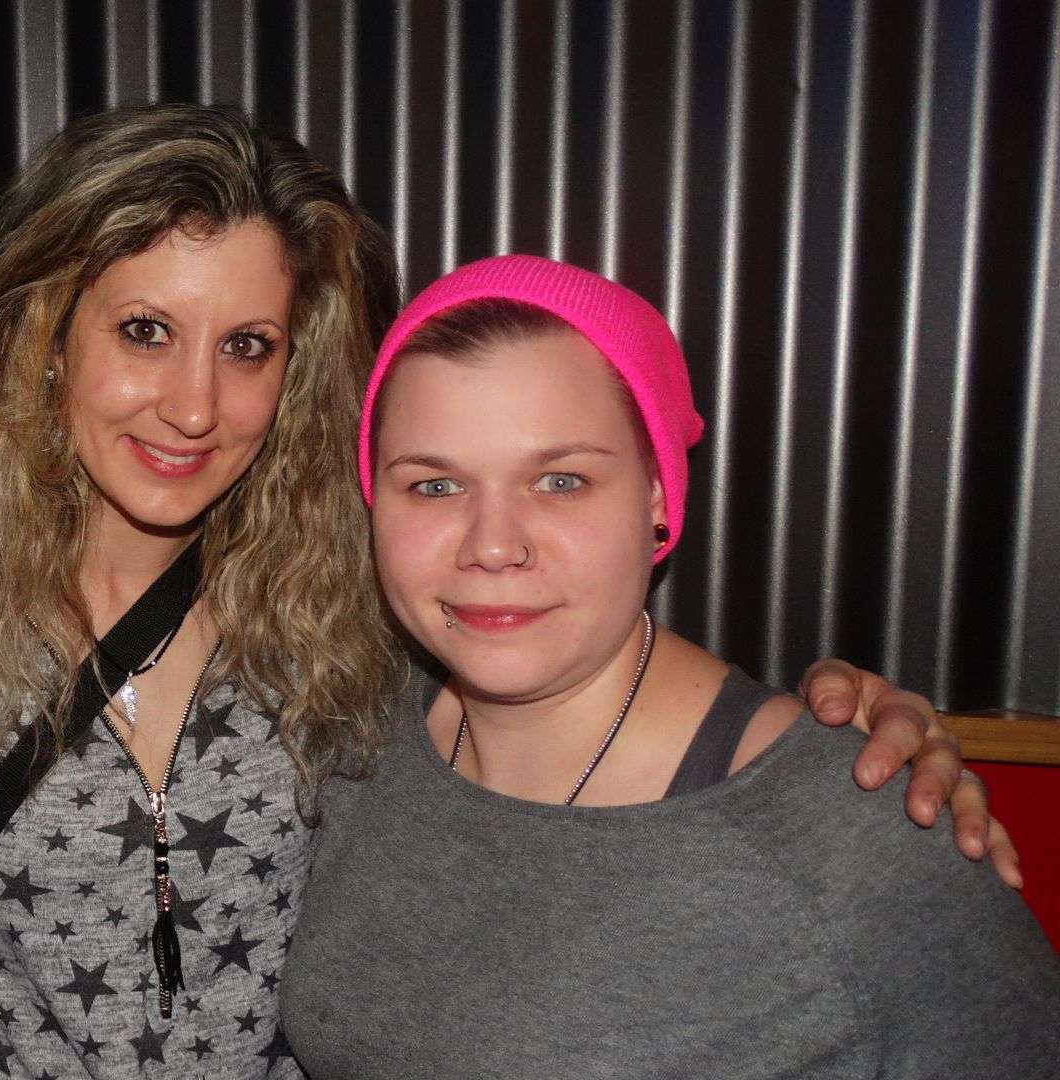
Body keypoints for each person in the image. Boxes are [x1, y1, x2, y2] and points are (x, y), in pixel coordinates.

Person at [0, 106, 1009, 1080]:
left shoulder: (349, 637)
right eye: (145, 331)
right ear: (46, 336)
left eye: (249, 346)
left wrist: (852, 752)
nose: (194, 405)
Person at [282, 254, 1060, 1078]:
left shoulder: (856, 841)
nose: (494, 545)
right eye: (434, 486)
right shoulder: (349, 730)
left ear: (656, 496)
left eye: (560, 480)